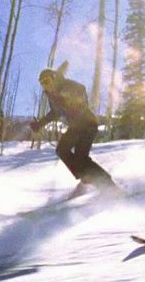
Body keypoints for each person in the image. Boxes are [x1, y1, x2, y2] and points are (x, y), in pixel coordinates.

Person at [29, 63, 117, 197]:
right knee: (64, 151)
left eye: (47, 81)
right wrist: (39, 124)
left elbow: (81, 89)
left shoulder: (66, 86)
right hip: (76, 126)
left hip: (87, 123)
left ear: (54, 78)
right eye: (43, 84)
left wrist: (72, 102)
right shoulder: (52, 95)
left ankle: (108, 186)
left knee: (79, 157)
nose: (46, 86)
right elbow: (54, 113)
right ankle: (86, 178)